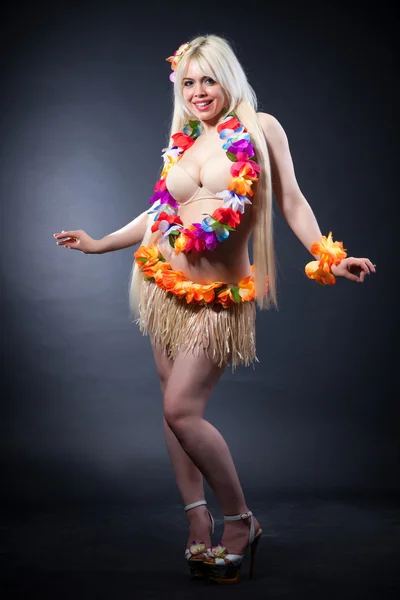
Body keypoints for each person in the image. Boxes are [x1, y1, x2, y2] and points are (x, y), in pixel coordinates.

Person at [53, 34, 376, 584]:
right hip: (163, 288)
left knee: (183, 409)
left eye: (208, 79)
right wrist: (100, 242)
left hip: (219, 297)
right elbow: (159, 211)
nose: (199, 92)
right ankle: (196, 521)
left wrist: (327, 255)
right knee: (171, 413)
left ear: (228, 77)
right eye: (189, 82)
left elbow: (291, 199)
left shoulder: (259, 128)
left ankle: (239, 519)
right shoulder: (183, 141)